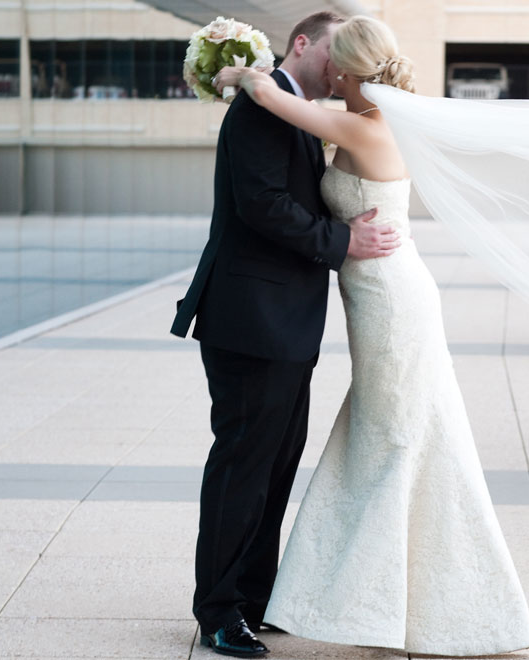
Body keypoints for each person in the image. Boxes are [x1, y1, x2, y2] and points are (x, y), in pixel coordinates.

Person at [213, 15, 529, 657]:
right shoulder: (372, 118)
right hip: (378, 293)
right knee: (394, 436)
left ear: (350, 70)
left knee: (394, 439)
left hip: (391, 300)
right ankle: (346, 593)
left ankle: (394, 599)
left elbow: (267, 94)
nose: (329, 71)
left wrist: (232, 69)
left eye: (337, 60)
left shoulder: (357, 124)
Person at [169, 12, 402, 659]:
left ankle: (250, 595)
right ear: (302, 44)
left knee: (273, 466)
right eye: (334, 52)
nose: (342, 68)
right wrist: (345, 239)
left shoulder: (297, 109)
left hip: (286, 323)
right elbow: (263, 205)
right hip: (250, 320)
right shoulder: (261, 106)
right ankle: (218, 612)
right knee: (244, 466)